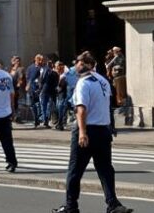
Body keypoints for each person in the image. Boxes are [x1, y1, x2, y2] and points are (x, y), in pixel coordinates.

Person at [53, 52, 133, 213]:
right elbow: (107, 105)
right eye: (77, 62)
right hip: (103, 130)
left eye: (80, 63)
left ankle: (71, 206)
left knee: (75, 170)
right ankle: (113, 204)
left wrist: (82, 133)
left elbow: (81, 109)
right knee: (105, 169)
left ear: (89, 65)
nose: (77, 65)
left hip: (87, 129)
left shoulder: (83, 83)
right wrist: (110, 126)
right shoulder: (103, 81)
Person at [41, 58, 60, 129]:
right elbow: (57, 83)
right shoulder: (55, 73)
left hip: (45, 90)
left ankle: (45, 120)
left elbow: (42, 80)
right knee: (50, 106)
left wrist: (40, 88)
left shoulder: (44, 71)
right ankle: (49, 119)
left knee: (44, 106)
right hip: (52, 91)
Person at [28, 54, 46, 127]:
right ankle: (36, 119)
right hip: (32, 89)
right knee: (33, 105)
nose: (41, 61)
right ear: (36, 60)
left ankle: (41, 119)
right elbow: (28, 78)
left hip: (41, 89)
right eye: (40, 60)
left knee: (40, 105)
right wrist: (28, 86)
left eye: (42, 60)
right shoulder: (30, 68)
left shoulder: (44, 68)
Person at [54, 61, 71, 131]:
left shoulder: (64, 76)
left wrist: (56, 88)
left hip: (63, 95)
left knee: (61, 109)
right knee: (59, 109)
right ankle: (59, 123)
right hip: (60, 95)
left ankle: (60, 124)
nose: (55, 68)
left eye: (56, 67)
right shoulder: (60, 75)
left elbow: (61, 86)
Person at [9, 56, 26, 123]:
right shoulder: (11, 69)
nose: (17, 62)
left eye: (18, 61)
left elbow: (21, 78)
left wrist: (19, 84)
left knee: (18, 103)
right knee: (12, 103)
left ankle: (17, 117)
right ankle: (12, 116)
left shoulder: (20, 69)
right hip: (11, 89)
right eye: (16, 61)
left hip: (17, 89)